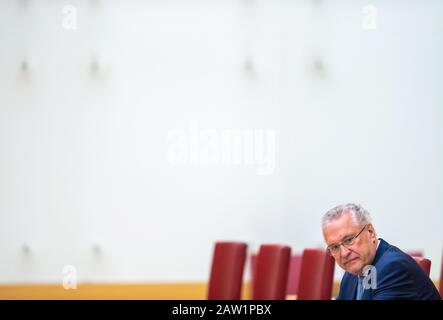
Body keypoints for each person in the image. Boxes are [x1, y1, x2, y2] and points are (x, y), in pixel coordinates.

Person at [322, 203, 441, 300]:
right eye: (335, 247)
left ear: (371, 232)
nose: (344, 253)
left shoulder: (394, 268)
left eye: (349, 240)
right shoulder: (352, 273)